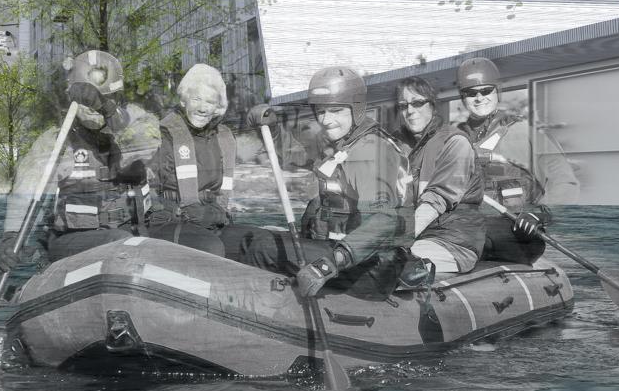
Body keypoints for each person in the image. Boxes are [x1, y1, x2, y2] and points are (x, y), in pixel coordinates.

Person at [235, 66, 416, 299]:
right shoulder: (344, 142)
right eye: (320, 111)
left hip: (371, 267)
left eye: (336, 111)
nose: (326, 120)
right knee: (247, 238)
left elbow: (383, 222)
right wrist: (272, 131)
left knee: (263, 248)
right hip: (348, 256)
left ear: (357, 109)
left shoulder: (368, 150)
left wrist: (327, 264)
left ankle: (256, 312)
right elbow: (298, 156)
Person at [0, 50, 159, 270]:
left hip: (133, 234)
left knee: (137, 242)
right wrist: (11, 236)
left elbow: (146, 144)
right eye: (87, 102)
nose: (94, 109)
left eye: (105, 98)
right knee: (120, 242)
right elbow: (26, 191)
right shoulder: (55, 143)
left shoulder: (136, 125)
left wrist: (106, 108)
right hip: (72, 240)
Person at [454, 57, 580, 263]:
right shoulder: (452, 139)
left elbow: (565, 182)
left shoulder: (525, 134)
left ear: (498, 91)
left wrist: (539, 213)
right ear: (462, 97)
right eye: (470, 93)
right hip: (466, 234)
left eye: (486, 91)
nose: (479, 98)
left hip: (515, 237)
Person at [144, 64, 245, 258]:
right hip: (171, 221)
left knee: (255, 242)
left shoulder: (222, 136)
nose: (202, 107)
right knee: (211, 247)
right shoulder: (161, 135)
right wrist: (174, 211)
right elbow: (147, 190)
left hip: (212, 217)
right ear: (183, 100)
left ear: (218, 107)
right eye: (196, 99)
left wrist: (217, 213)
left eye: (209, 101)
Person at [394, 76, 487, 275]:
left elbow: (437, 199)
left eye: (418, 103)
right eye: (404, 106)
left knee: (389, 267)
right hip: (415, 236)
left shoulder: (455, 143)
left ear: (433, 105)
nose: (410, 111)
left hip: (452, 240)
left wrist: (396, 242)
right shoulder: (398, 146)